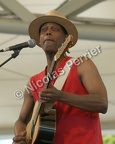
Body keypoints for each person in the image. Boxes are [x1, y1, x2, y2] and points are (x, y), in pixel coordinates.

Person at [12, 10, 108, 144]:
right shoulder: (32, 83)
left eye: (55, 29)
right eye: (43, 30)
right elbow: (21, 120)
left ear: (66, 39)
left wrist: (60, 96)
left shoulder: (82, 64)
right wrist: (21, 135)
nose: (48, 32)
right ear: (39, 41)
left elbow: (102, 103)